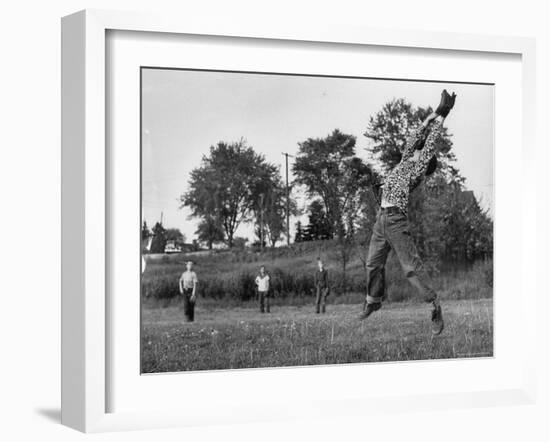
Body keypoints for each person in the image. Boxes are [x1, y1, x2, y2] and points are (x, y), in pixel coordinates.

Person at [359, 89, 457, 335]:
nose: (415, 148)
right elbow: (415, 136)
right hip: (381, 220)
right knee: (372, 264)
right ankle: (373, 301)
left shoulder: (419, 168)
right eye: (416, 148)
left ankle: (434, 305)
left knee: (411, 267)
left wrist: (443, 117)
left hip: (395, 221)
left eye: (419, 150)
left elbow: (429, 141)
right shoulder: (404, 161)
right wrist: (432, 114)